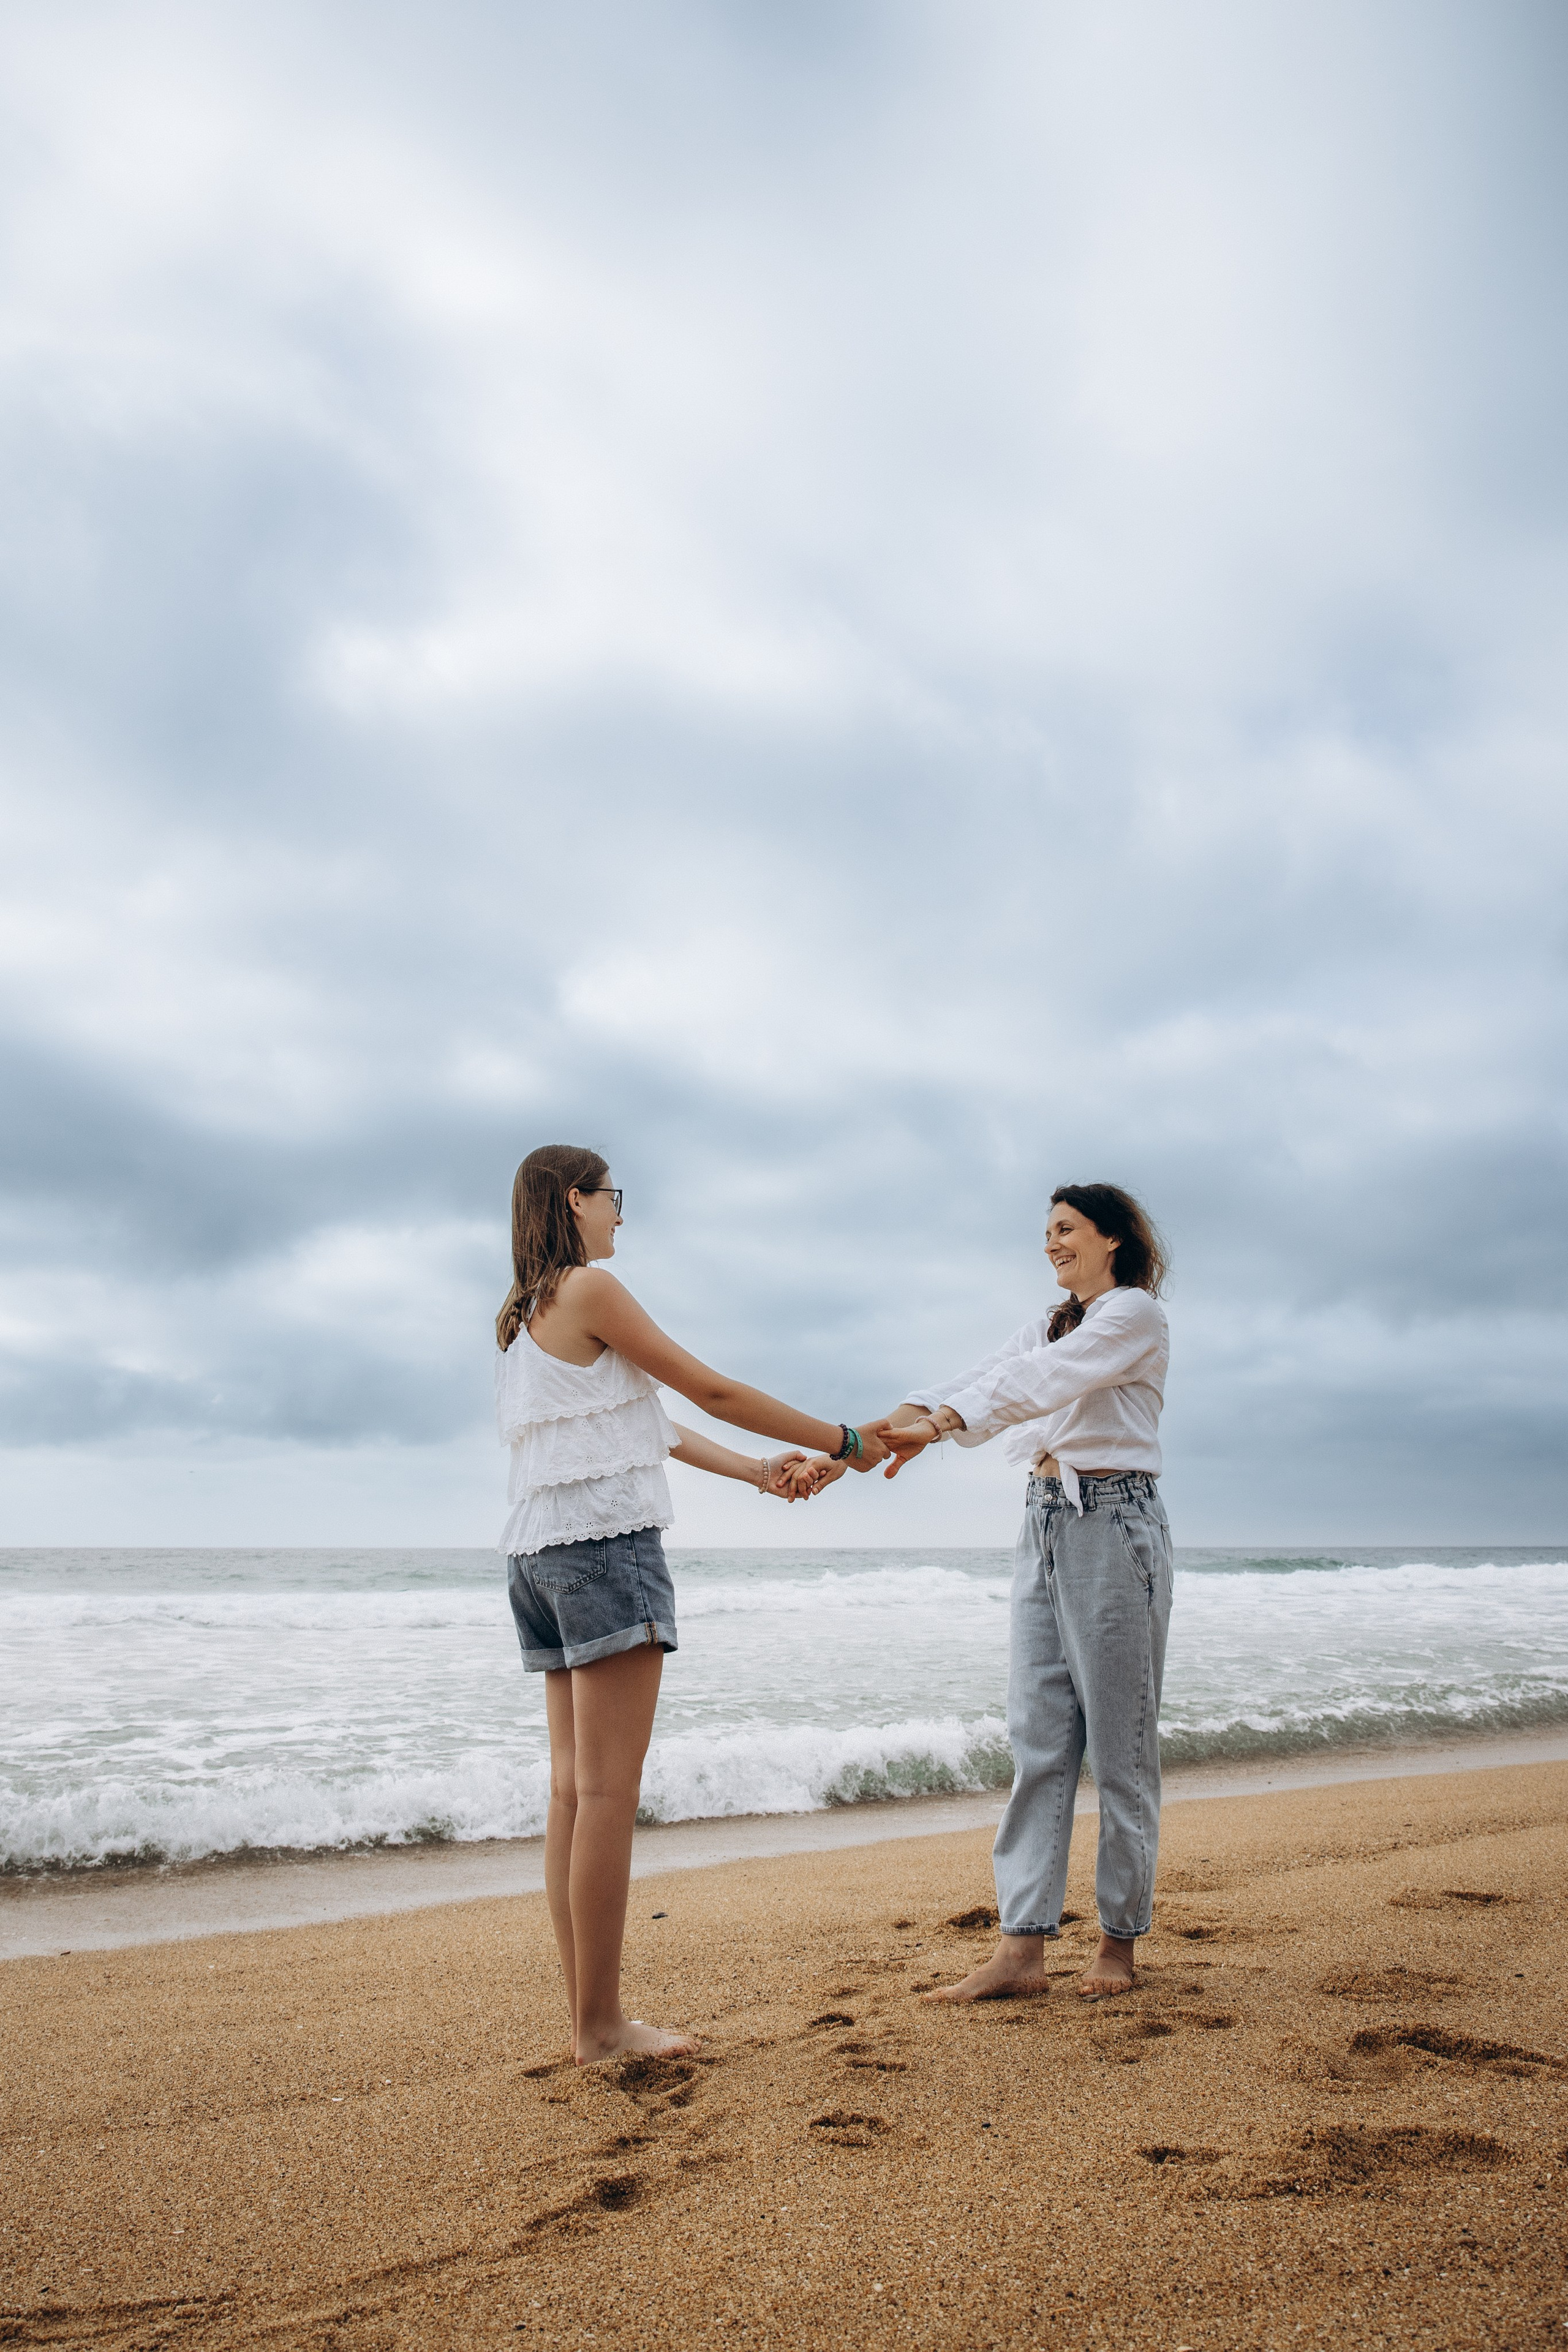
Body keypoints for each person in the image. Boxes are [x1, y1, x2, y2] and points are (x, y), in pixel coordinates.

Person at [496, 1144, 889, 2064]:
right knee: (604, 1797)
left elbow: (652, 1426)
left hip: (536, 1561)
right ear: (573, 1199)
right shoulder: (589, 1290)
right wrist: (847, 1438)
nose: (620, 1216)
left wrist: (757, 1473)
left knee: (572, 1795)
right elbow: (706, 1386)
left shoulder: (523, 1316)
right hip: (605, 1553)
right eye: (612, 1198)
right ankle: (600, 2027)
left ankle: (587, 2018)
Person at [802, 1182, 1171, 2002]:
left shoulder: (1133, 1315)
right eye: (1047, 1232)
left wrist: (936, 1429)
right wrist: (856, 1444)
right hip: (1043, 1521)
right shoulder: (1049, 1323)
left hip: (1114, 1524)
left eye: (1067, 1230)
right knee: (1038, 1737)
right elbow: (979, 1378)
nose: (1052, 1244)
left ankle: (1119, 1944)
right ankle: (1022, 1950)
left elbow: (1036, 1385)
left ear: (1114, 1239)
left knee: (1120, 1748)